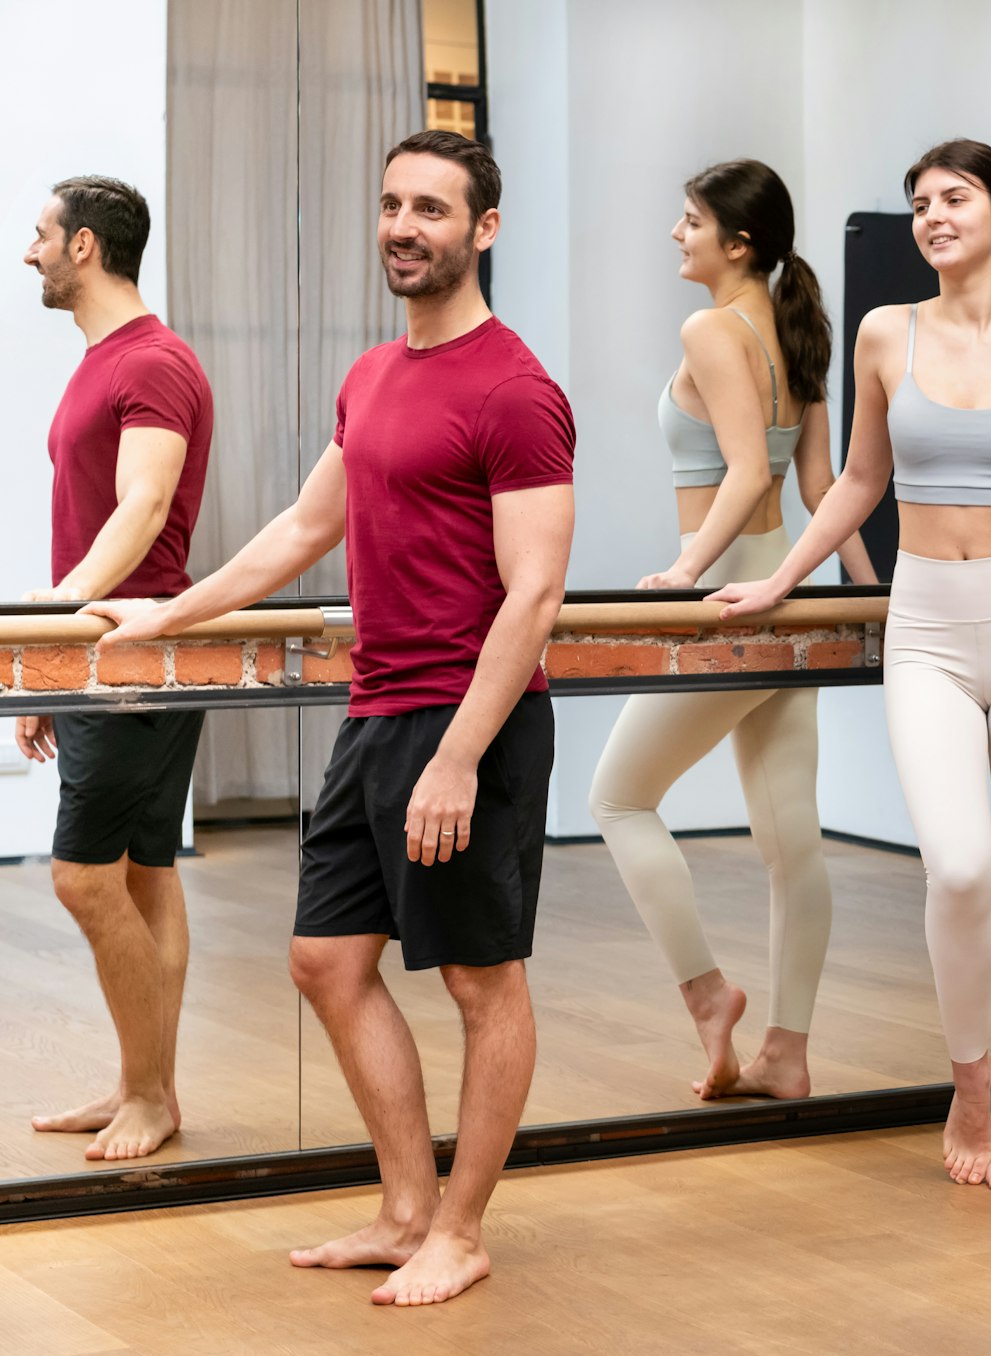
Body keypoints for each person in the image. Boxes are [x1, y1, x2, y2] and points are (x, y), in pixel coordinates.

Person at [91, 130, 575, 1301]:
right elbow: (304, 531)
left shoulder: (516, 390)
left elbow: (537, 591)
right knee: (322, 959)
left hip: (470, 725)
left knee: (479, 981)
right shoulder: (372, 376)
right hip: (377, 714)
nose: (404, 227)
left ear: (483, 231)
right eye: (391, 204)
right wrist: (170, 614)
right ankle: (407, 1210)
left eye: (432, 210)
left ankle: (461, 1228)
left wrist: (460, 756)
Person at [708, 139, 991, 1190]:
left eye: (953, 198)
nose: (931, 215)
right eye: (918, 203)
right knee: (957, 868)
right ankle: (965, 1076)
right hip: (927, 630)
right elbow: (859, 480)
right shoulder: (883, 334)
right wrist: (780, 581)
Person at [589, 160, 874, 1102]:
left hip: (736, 599)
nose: (678, 234)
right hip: (790, 590)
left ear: (737, 243)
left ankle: (710, 995)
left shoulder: (712, 328)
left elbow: (751, 476)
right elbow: (821, 490)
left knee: (619, 800)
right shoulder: (795, 330)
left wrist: (683, 573)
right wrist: (862, 591)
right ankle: (786, 1055)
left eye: (691, 221)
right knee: (793, 839)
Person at [15, 175, 213, 1162]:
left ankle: (149, 1094)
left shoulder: (155, 362)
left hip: (134, 653)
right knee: (143, 876)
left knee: (83, 880)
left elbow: (141, 511)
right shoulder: (108, 360)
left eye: (41, 235)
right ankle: (148, 1088)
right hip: (116, 651)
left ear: (85, 246)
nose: (29, 253)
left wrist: (56, 630)